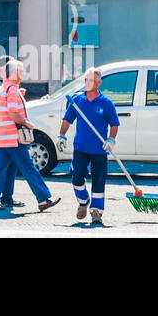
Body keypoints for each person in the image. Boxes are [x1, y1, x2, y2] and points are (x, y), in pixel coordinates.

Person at [0, 59, 60, 213]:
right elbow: (12, 113)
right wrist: (27, 123)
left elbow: (1, 113)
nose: (23, 74)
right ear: (15, 73)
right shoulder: (11, 90)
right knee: (29, 168)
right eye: (22, 71)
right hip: (13, 137)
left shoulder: (2, 88)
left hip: (4, 136)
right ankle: (43, 198)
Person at [57, 67, 119, 225]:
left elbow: (114, 124)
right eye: (85, 80)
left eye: (91, 80)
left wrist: (111, 140)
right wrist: (62, 136)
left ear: (98, 82)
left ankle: (96, 212)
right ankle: (83, 201)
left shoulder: (106, 103)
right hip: (81, 148)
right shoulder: (77, 101)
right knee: (77, 177)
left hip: (99, 150)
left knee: (99, 180)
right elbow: (67, 121)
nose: (87, 83)